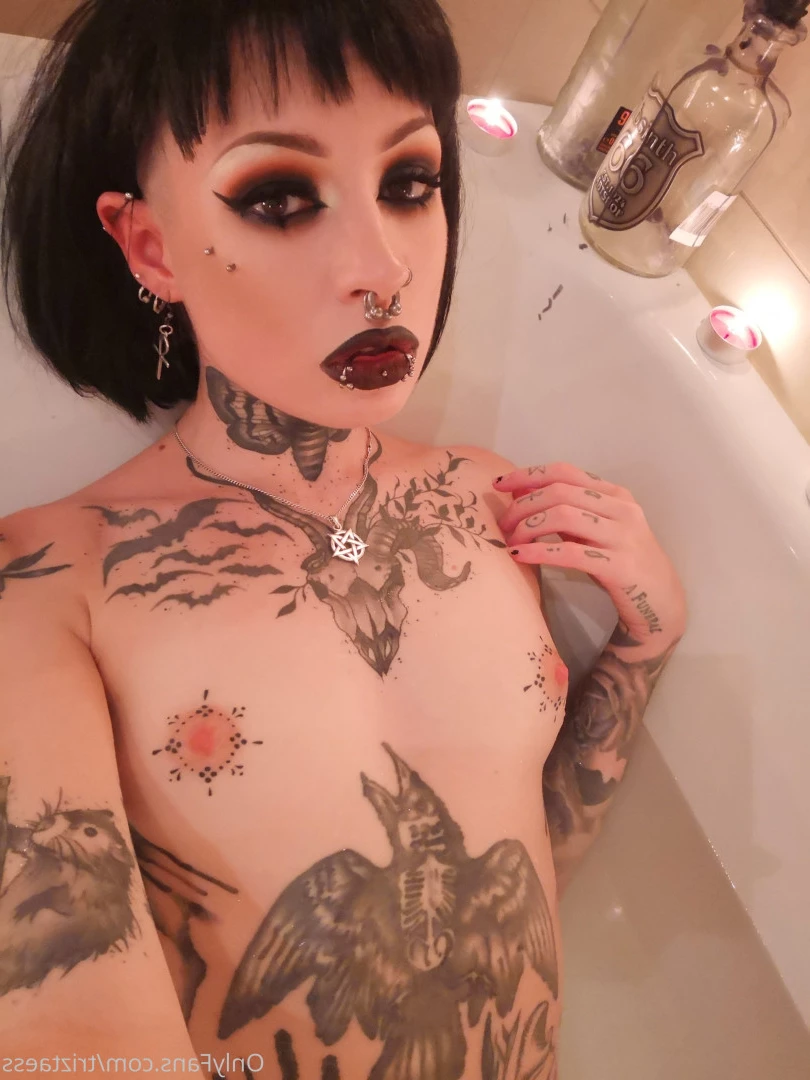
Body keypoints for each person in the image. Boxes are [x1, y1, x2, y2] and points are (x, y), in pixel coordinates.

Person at [0, 1, 687, 1077]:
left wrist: (644, 648)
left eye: (409, 183)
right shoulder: (49, 588)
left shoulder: (490, 498)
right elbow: (65, 1026)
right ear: (151, 245)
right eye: (280, 199)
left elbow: (517, 880)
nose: (384, 268)